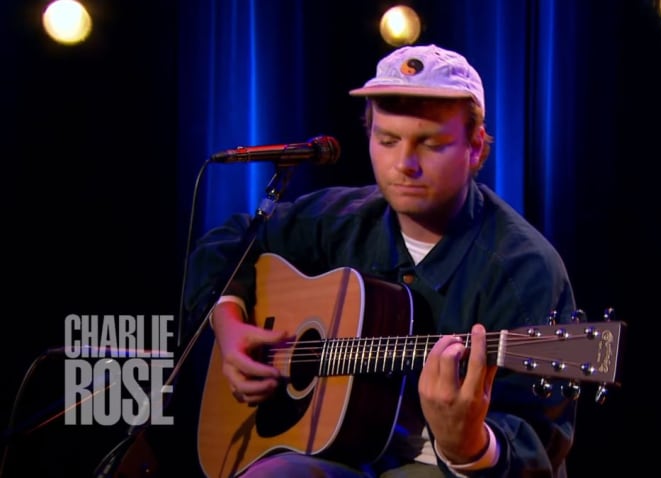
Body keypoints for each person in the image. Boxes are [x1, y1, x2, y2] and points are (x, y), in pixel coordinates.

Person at [185, 43, 577, 477]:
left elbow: (540, 443)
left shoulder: (524, 269)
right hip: (338, 453)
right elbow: (226, 245)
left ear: (476, 149)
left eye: (431, 144)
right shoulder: (340, 219)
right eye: (387, 140)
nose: (404, 164)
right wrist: (229, 322)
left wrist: (471, 446)